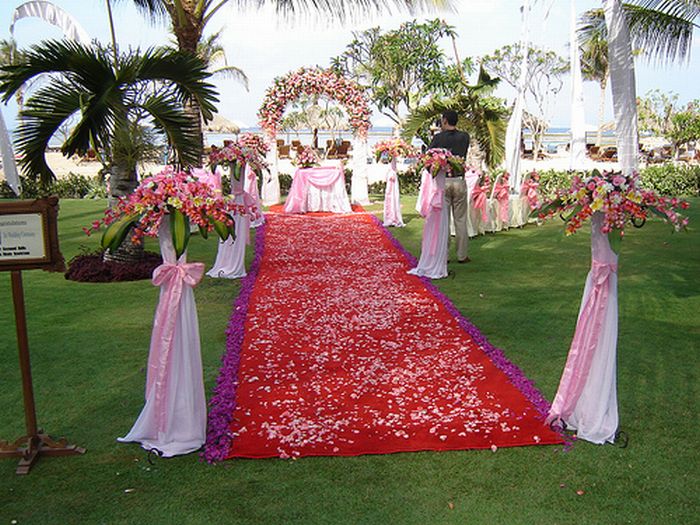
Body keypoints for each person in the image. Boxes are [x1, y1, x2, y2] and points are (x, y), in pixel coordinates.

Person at [429, 110, 471, 263]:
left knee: (444, 221)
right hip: (459, 180)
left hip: (444, 182)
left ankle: (444, 254)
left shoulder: (438, 138)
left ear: (445, 120)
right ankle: (462, 255)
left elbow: (430, 156)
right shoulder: (464, 137)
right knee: (460, 219)